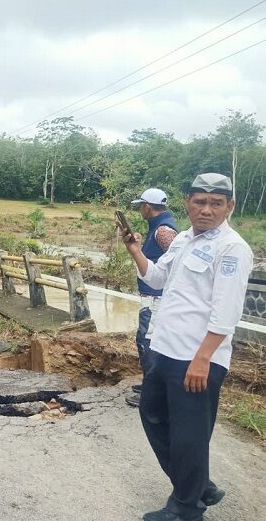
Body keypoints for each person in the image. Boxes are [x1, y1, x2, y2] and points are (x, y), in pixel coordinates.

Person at [119, 173, 253, 521]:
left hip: (197, 357)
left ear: (229, 207)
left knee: (189, 435)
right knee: (152, 415)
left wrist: (203, 358)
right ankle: (199, 484)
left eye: (216, 203)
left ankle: (186, 508)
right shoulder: (181, 240)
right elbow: (158, 278)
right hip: (164, 348)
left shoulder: (232, 248)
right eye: (199, 201)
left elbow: (226, 312)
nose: (206, 210)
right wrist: (135, 250)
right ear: (187, 203)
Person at [125, 188, 178, 408]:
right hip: (151, 296)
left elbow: (176, 264)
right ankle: (151, 384)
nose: (139, 210)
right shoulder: (157, 227)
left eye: (141, 206)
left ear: (148, 206)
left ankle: (153, 393)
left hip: (157, 298)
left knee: (149, 343)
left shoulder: (164, 231)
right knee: (144, 340)